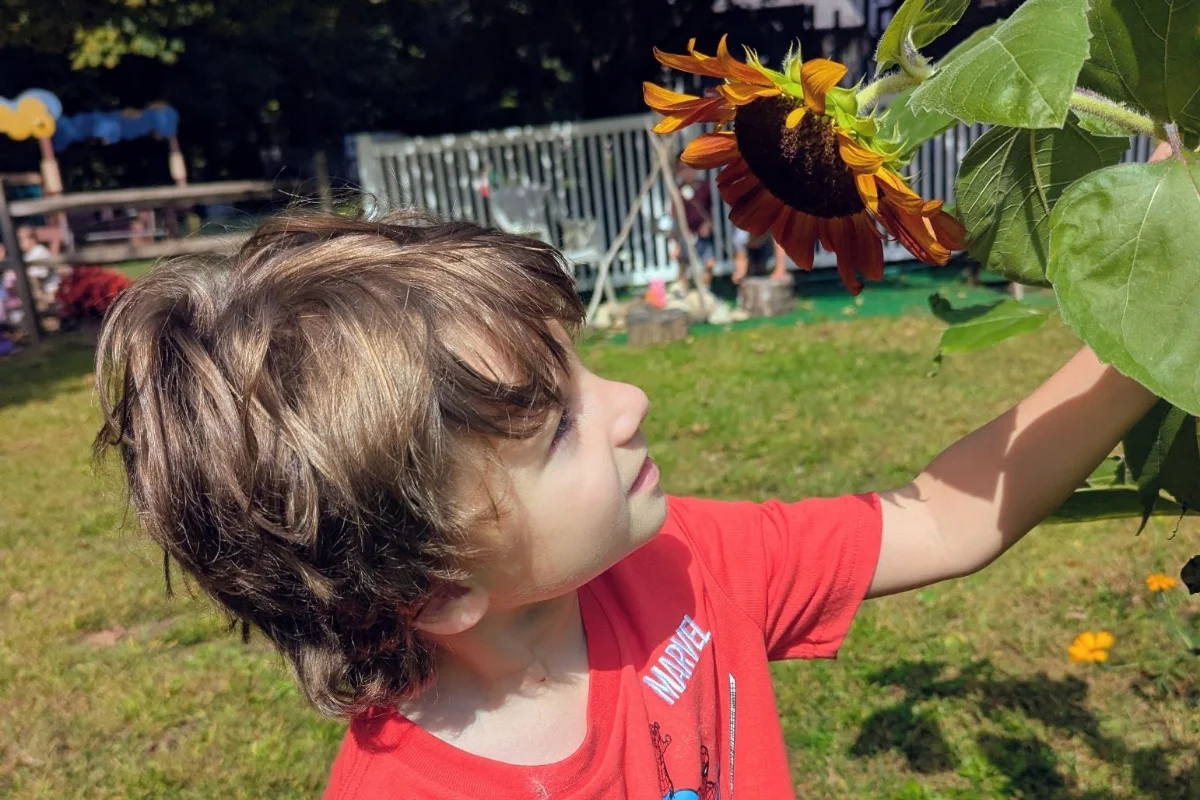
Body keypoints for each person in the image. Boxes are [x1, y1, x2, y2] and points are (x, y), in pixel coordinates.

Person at [94, 204, 1157, 800]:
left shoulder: (689, 560)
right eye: (558, 423)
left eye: (584, 368)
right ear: (440, 583)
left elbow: (941, 518)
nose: (634, 400)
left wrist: (1157, 330)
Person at [672, 164, 717, 285]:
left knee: (709, 262)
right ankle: (682, 288)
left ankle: (705, 287)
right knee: (683, 262)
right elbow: (674, 214)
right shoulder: (678, 189)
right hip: (686, 232)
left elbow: (710, 209)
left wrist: (707, 224)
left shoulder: (704, 187)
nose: (687, 172)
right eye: (683, 169)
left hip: (702, 232)